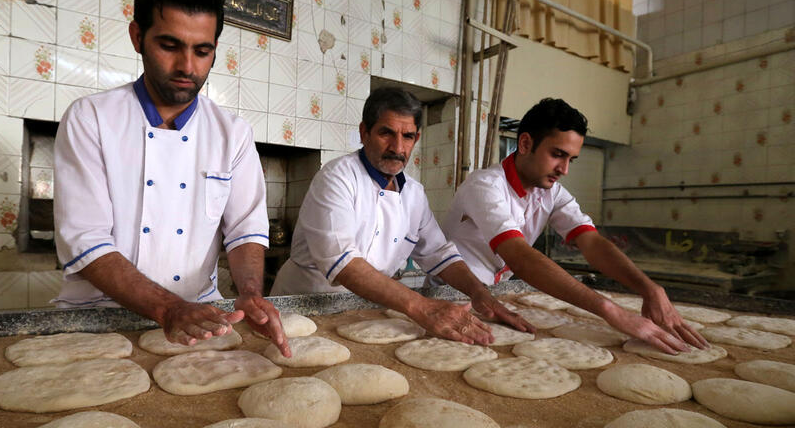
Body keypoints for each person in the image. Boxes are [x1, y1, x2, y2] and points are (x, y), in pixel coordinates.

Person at [53, 0, 289, 356]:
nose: (187, 66)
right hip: (97, 319)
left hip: (201, 318)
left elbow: (245, 229)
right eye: (169, 45)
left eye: (202, 51)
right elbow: (86, 241)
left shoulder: (232, 134)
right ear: (136, 36)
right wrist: (168, 307)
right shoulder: (91, 118)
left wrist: (250, 292)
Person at [442, 98, 708, 354]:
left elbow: (591, 243)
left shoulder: (552, 193)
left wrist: (650, 289)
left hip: (498, 299)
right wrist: (611, 310)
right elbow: (520, 257)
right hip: (455, 297)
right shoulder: (485, 185)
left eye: (571, 159)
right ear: (524, 143)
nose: (564, 169)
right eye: (558, 155)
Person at [271, 87, 531, 345]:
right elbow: (344, 264)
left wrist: (479, 293)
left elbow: (439, 254)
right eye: (387, 133)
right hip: (305, 306)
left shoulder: (413, 194)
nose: (397, 147)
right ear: (364, 132)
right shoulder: (337, 178)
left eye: (407, 136)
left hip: (363, 310)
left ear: (416, 139)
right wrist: (424, 308)